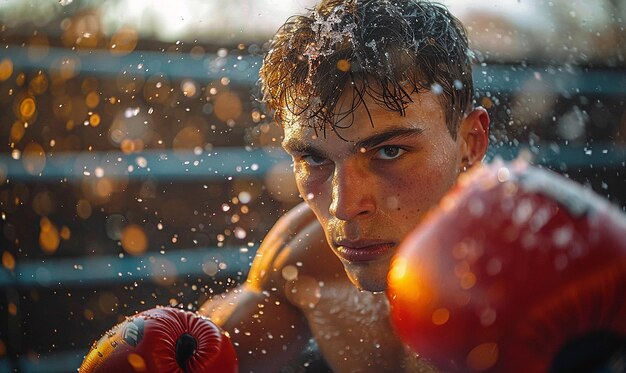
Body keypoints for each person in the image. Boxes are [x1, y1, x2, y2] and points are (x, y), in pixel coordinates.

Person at [199, 0, 490, 371]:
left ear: (471, 143)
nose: (343, 206)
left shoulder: (532, 273)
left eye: (389, 151)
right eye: (315, 159)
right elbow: (197, 354)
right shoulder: (301, 262)